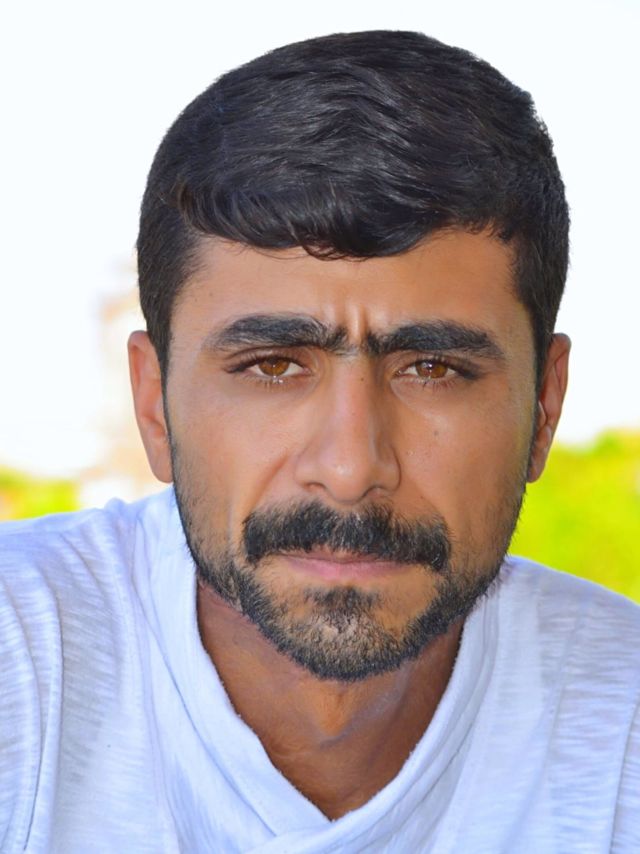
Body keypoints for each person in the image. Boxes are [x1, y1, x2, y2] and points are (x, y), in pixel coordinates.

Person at [1, 29, 638, 853]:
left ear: (544, 408)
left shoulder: (620, 728)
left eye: (433, 368)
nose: (349, 469)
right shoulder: (23, 667)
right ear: (154, 405)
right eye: (272, 366)